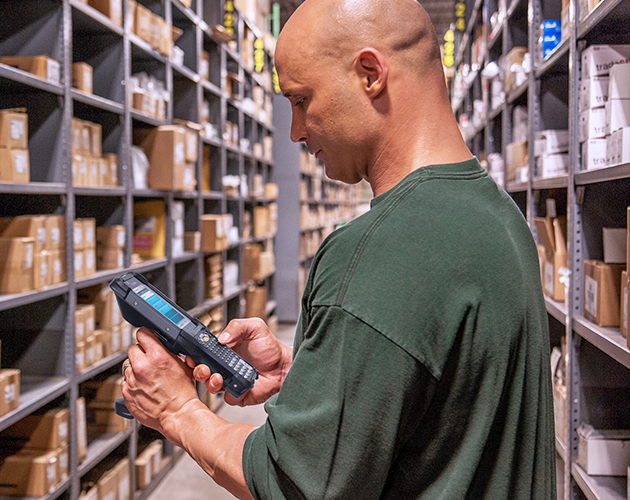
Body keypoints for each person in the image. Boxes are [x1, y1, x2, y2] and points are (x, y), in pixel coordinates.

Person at [120, 0, 556, 498]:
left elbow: (295, 482)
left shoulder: (377, 253)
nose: (295, 131)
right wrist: (311, 368)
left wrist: (177, 411)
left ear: (370, 74)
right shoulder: (498, 215)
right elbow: (445, 390)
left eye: (301, 100)